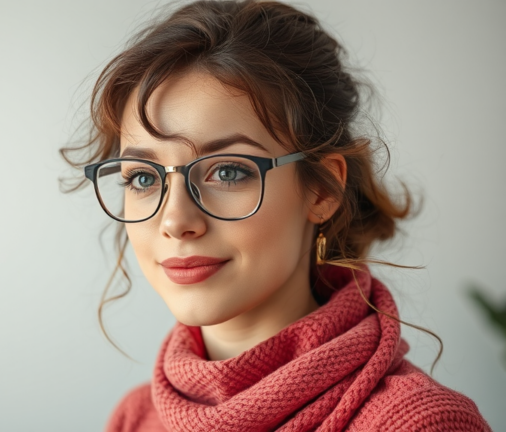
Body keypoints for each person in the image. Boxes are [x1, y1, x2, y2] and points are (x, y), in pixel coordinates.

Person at [61, 1, 490, 431]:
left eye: (228, 171)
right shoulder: (136, 417)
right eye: (142, 178)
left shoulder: (422, 424)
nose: (175, 221)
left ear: (323, 188)